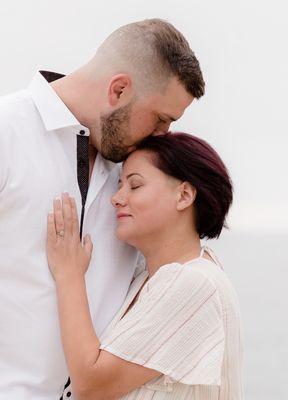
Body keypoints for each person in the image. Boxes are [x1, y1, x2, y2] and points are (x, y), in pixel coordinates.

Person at [0, 19, 205, 399]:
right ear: (119, 89)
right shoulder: (6, 131)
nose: (165, 136)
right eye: (161, 119)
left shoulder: (136, 175)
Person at [47, 132, 244, 400]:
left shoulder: (193, 283)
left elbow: (90, 384)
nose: (116, 198)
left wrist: (69, 274)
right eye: (118, 185)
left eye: (135, 185)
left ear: (184, 195)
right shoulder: (150, 278)